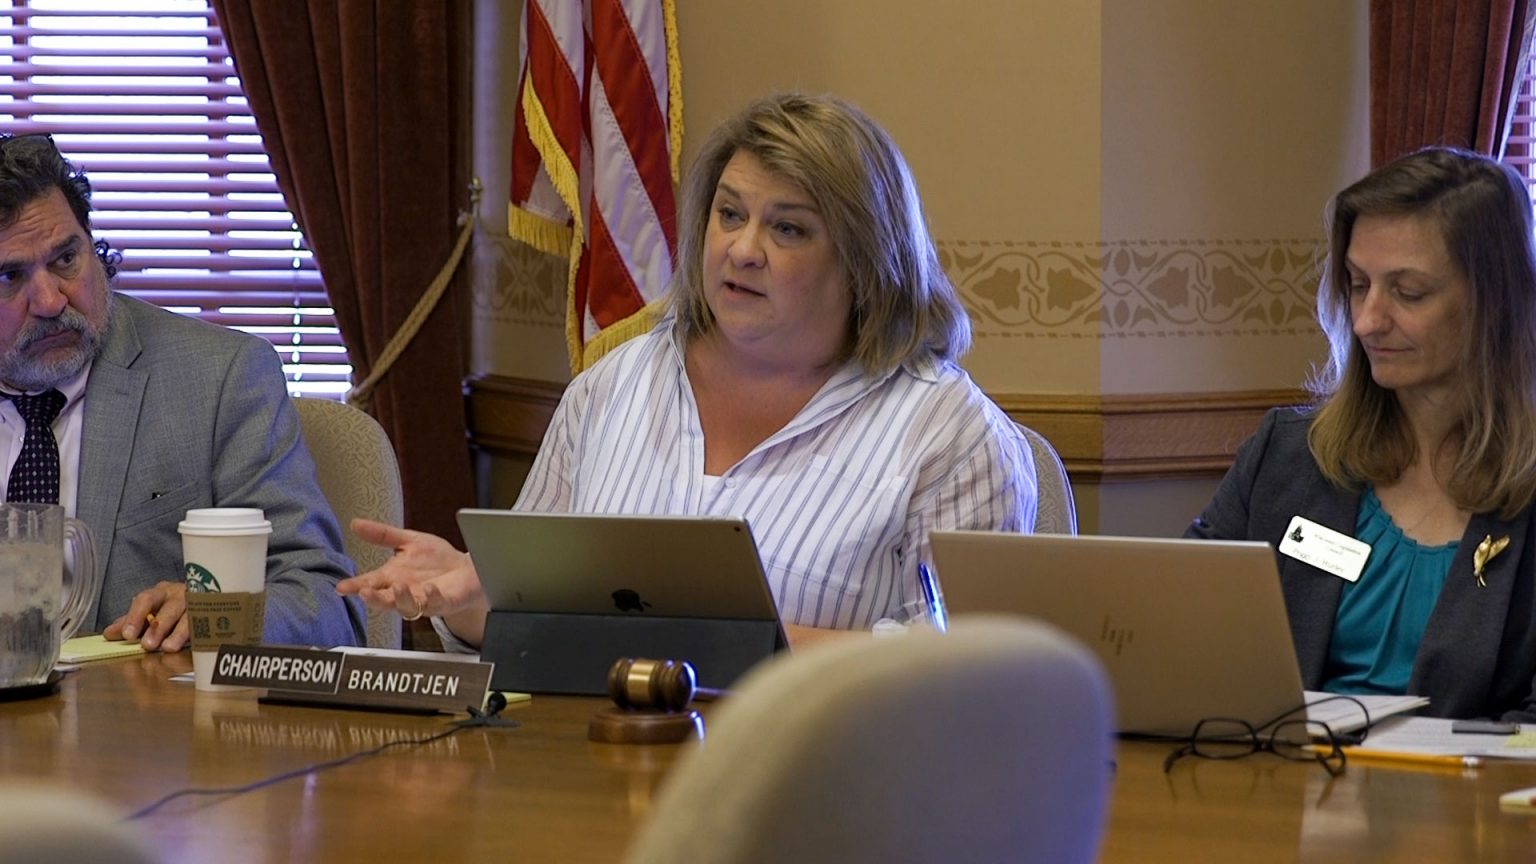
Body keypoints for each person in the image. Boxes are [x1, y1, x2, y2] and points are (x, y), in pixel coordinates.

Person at [339, 93, 1037, 649]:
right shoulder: (613, 386)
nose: (742, 249)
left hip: (829, 795)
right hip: (585, 777)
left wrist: (712, 647)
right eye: (729, 215)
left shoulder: (950, 434)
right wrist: (468, 595)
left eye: (787, 228)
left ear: (864, 261)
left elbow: (965, 671)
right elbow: (531, 626)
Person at [1186, 146, 1536, 721]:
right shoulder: (1290, 457)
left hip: (1467, 802)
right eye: (1357, 285)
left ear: (1495, 302)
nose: (1369, 320)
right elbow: (1182, 620)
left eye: (1408, 292)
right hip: (1281, 789)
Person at [0, 133, 364, 651]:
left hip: (147, 719)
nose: (50, 300)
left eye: (65, 260)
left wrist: (221, 613)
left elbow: (327, 601)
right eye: (10, 276)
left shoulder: (222, 380)